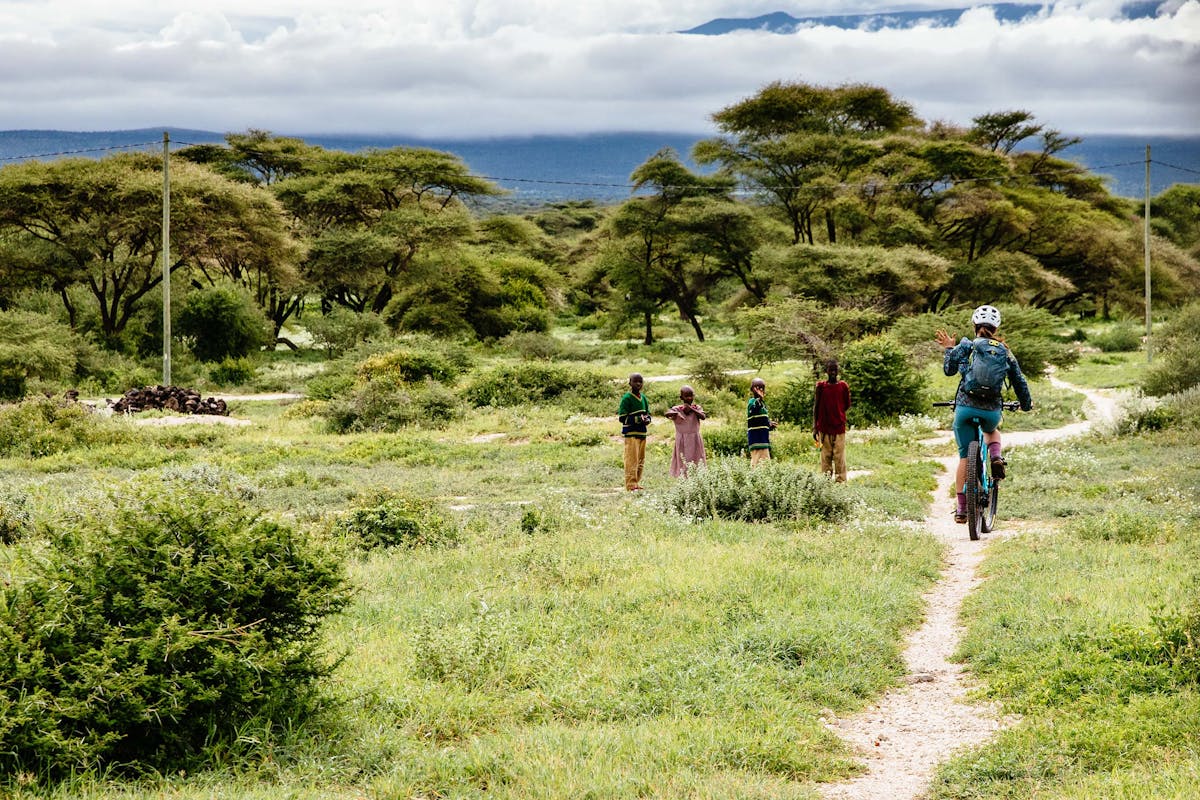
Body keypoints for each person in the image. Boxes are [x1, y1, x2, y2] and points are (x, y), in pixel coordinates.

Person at [935, 305, 1033, 524]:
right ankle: (996, 457)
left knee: (964, 457)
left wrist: (950, 348)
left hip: (964, 407)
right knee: (992, 431)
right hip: (991, 410)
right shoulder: (1004, 351)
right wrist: (1026, 405)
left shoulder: (967, 345)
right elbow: (1019, 381)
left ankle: (961, 509)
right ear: (996, 327)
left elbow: (949, 370)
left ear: (974, 325)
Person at [813, 359, 851, 482]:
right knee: (826, 457)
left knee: (839, 457)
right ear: (827, 371)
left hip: (839, 428)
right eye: (831, 370)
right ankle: (826, 483)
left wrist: (837, 414)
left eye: (835, 370)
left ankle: (841, 483)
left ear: (838, 371)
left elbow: (846, 405)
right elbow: (816, 407)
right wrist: (815, 427)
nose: (833, 373)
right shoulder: (821, 387)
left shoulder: (843, 386)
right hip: (824, 428)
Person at [618, 373, 651, 491]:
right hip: (631, 434)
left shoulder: (644, 398)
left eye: (640, 381)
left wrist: (647, 420)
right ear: (630, 383)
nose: (638, 384)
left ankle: (636, 482)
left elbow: (648, 414)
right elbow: (622, 418)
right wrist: (638, 419)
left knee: (640, 460)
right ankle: (630, 485)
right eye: (635, 381)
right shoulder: (627, 398)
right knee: (632, 460)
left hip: (642, 433)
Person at [665, 385, 707, 477]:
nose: (689, 398)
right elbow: (667, 413)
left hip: (695, 438)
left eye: (691, 396)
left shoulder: (697, 408)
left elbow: (703, 417)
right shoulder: (677, 409)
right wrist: (677, 413)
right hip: (682, 439)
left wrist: (691, 409)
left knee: (697, 458)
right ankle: (683, 478)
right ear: (681, 397)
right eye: (686, 396)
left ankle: (697, 477)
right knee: (683, 459)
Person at [747, 377, 778, 466]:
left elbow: (759, 420)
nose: (760, 390)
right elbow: (754, 409)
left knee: (764, 464)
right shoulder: (752, 402)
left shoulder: (762, 405)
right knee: (758, 464)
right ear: (752, 390)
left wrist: (769, 424)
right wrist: (759, 398)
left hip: (763, 439)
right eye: (757, 388)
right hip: (757, 440)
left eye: (762, 388)